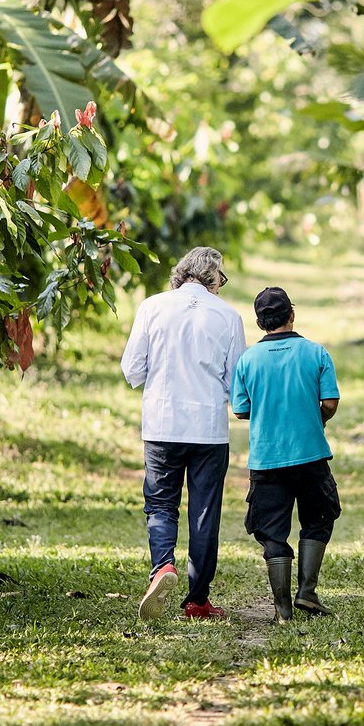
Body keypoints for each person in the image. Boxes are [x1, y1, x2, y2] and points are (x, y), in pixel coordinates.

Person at [121, 246, 246, 621]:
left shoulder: (152, 307)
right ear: (212, 278)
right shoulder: (228, 316)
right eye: (221, 280)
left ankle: (163, 566)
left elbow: (132, 370)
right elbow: (235, 379)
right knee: (205, 512)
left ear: (182, 273)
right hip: (207, 428)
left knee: (161, 504)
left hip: (162, 424)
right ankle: (197, 601)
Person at [230, 287, 341, 623]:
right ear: (291, 315)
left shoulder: (248, 360)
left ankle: (282, 609)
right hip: (311, 456)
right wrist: (314, 419)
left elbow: (240, 409)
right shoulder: (316, 353)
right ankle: (307, 591)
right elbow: (331, 402)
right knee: (320, 518)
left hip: (267, 461)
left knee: (271, 532)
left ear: (261, 322)